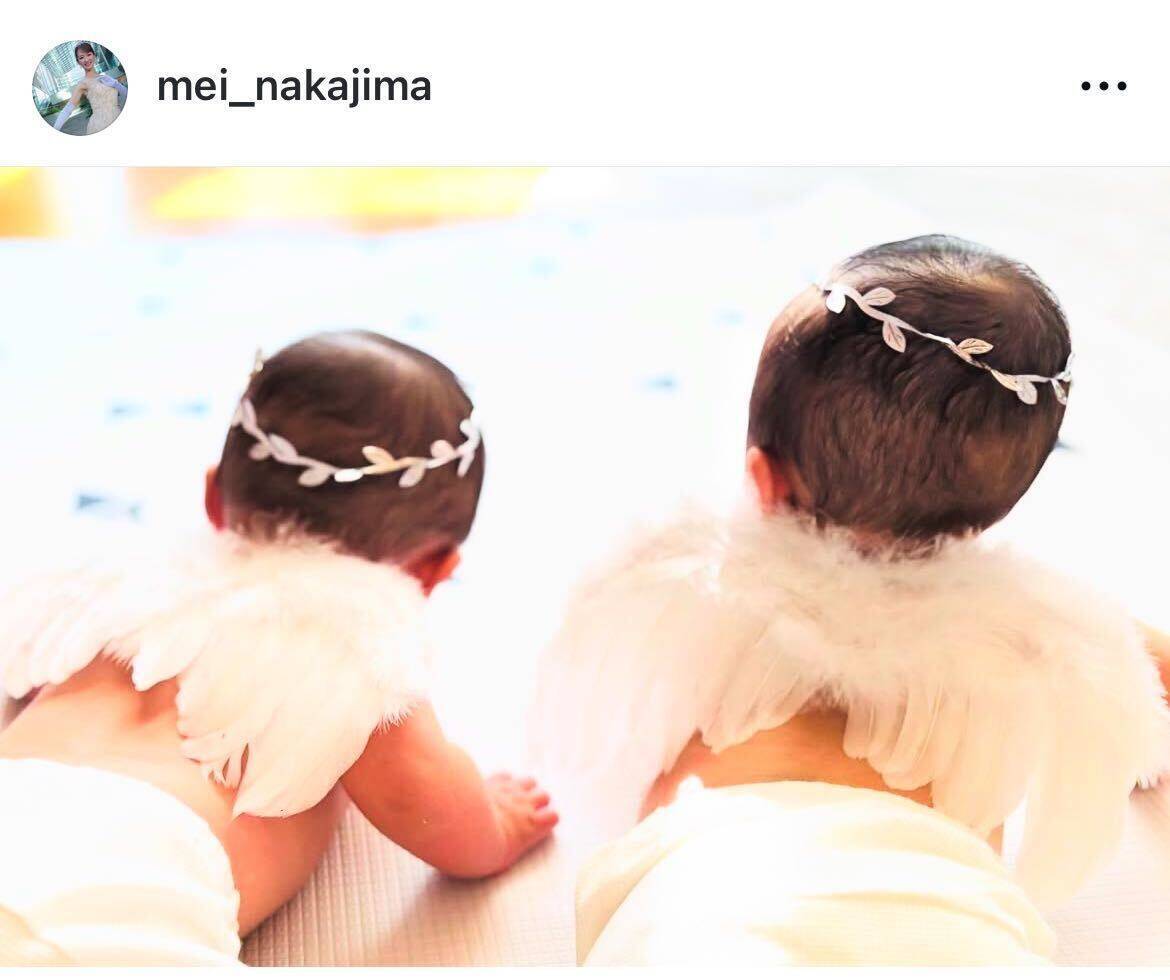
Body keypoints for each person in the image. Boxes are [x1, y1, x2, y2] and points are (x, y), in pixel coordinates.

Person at [535, 235, 1170, 965]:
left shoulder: (695, 572)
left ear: (763, 480)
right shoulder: (1042, 622)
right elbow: (1146, 665)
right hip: (948, 913)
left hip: (706, 890)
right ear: (1003, 506)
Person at [0, 331, 557, 965]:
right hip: (132, 866)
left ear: (212, 497)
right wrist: (497, 825)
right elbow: (430, 810)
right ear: (434, 569)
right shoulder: (359, 640)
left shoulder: (121, 582)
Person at [52, 42, 126, 135]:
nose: (86, 59)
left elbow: (126, 94)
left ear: (94, 55)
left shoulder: (105, 78)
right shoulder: (82, 84)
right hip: (100, 125)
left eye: (89, 54)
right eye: (81, 57)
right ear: (78, 62)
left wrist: (116, 84)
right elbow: (67, 110)